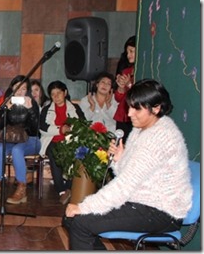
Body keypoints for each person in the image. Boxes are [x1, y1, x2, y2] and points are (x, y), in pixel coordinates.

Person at [63, 79, 192, 250]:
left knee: (81, 223)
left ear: (156, 108)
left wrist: (84, 206)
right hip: (139, 201)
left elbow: (125, 185)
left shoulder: (160, 137)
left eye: (136, 108)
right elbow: (128, 175)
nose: (129, 113)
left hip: (161, 211)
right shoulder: (141, 130)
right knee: (71, 218)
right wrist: (119, 160)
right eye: (130, 106)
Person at [0, 75, 40, 204]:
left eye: (24, 89)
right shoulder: (7, 102)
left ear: (27, 90)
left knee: (17, 150)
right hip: (11, 139)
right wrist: (5, 110)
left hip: (31, 140)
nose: (20, 92)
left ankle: (21, 189)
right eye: (17, 88)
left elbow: (35, 129)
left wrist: (30, 109)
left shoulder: (32, 103)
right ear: (12, 89)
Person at [39, 81, 85, 205]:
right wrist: (60, 129)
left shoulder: (75, 108)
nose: (56, 96)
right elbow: (42, 128)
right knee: (54, 153)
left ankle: (69, 187)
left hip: (71, 140)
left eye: (59, 93)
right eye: (53, 94)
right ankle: (61, 190)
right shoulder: (46, 109)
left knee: (77, 153)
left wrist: (70, 129)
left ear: (65, 93)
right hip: (52, 140)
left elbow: (83, 125)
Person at [113, 35, 136, 143]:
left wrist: (129, 85)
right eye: (127, 52)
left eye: (131, 51)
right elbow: (118, 98)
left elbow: (140, 95)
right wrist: (121, 88)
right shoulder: (126, 71)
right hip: (122, 115)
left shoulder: (143, 70)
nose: (128, 55)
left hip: (135, 116)